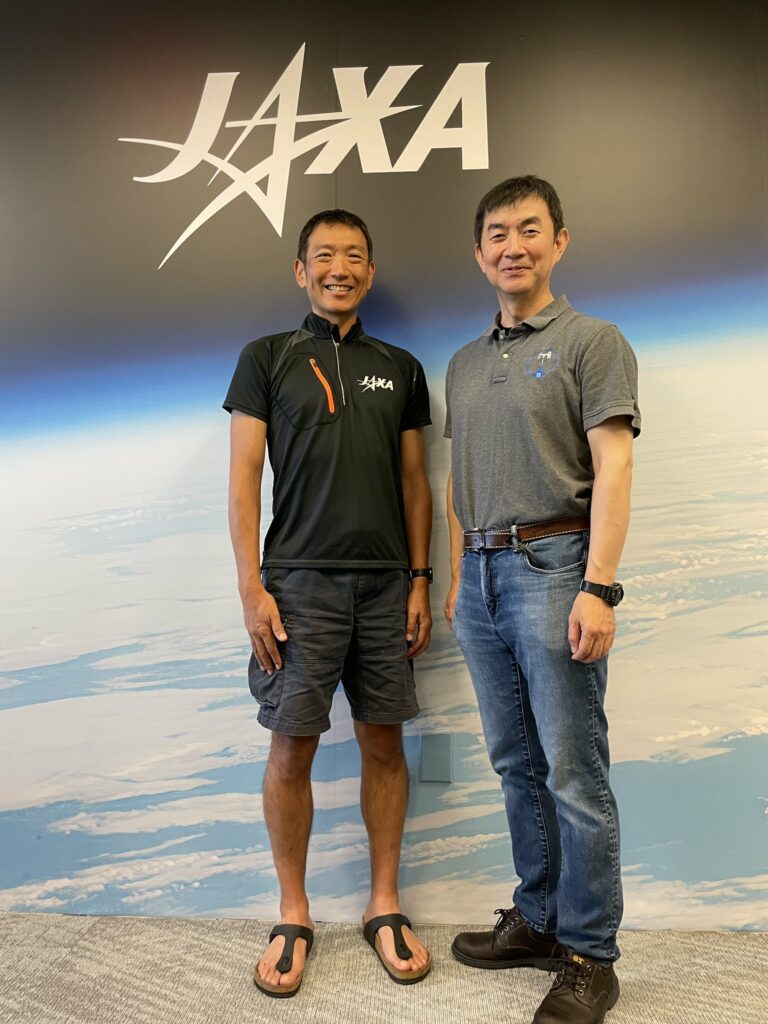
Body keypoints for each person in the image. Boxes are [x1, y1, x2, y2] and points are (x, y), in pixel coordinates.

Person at [444, 176, 640, 1024]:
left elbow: (614, 465)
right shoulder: (462, 362)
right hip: (480, 577)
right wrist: (460, 576)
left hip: (557, 566)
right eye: (497, 233)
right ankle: (539, 917)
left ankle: (591, 955)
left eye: (529, 229)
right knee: (514, 761)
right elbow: (460, 481)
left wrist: (598, 586)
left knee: (572, 770)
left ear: (559, 241)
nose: (512, 245)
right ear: (479, 252)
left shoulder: (593, 342)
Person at [224, 209, 433, 997]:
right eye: (323, 255)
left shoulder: (400, 367)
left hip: (385, 585)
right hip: (298, 585)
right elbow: (245, 479)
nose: (338, 267)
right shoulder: (266, 358)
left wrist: (419, 578)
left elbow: (414, 481)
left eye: (353, 256)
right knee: (291, 750)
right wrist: (252, 587)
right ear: (300, 270)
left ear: (370, 273)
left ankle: (384, 904)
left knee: (385, 746)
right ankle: (294, 912)